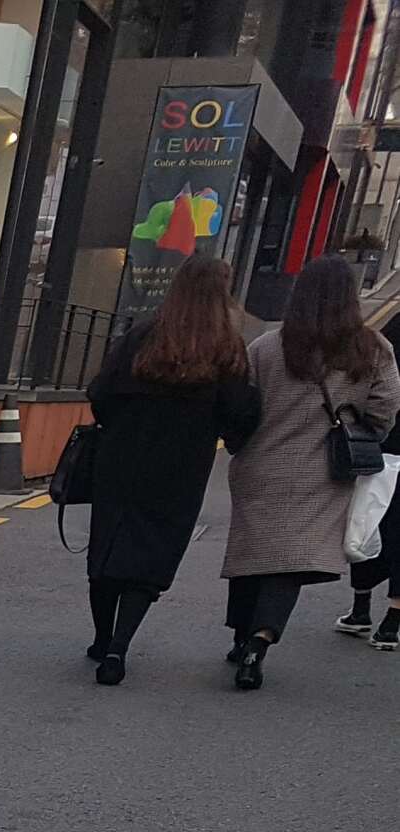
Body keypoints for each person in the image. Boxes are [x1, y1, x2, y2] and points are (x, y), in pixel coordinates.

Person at [222, 253, 400, 690]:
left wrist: (240, 444)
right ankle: (260, 640)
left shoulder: (267, 347)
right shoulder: (371, 350)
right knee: (290, 560)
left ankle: (241, 634)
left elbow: (239, 406)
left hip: (260, 465)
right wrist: (361, 433)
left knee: (254, 552)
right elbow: (385, 409)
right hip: (325, 471)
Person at [81, 254, 261, 685]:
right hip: (181, 467)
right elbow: (240, 412)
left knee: (108, 547)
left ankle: (101, 637)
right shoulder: (226, 347)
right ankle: (119, 649)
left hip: (121, 457)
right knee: (153, 555)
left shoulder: (142, 334)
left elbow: (100, 392)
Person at [331, 306, 400, 651]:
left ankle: (360, 609)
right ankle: (392, 622)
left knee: (367, 520)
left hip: (387, 446)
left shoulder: (394, 328)